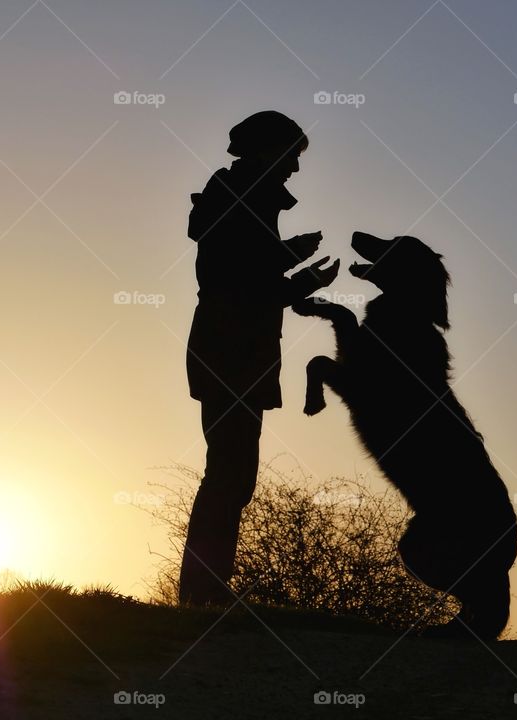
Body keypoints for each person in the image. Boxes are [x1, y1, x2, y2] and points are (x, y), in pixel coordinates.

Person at [179, 111, 339, 605]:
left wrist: (297, 272)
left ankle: (206, 590)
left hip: (237, 349)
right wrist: (290, 258)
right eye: (291, 155)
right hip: (232, 350)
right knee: (230, 471)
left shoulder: (238, 199)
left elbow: (253, 281)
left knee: (233, 471)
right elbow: (237, 279)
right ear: (270, 151)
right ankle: (203, 593)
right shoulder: (235, 197)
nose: (294, 168)